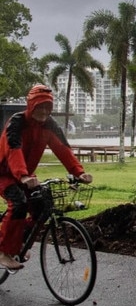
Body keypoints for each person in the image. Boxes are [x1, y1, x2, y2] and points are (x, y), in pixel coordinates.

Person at [0, 84, 93, 270]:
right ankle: (3, 251)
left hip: (25, 174)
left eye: (47, 107)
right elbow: (13, 150)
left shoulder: (49, 125)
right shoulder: (16, 123)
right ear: (31, 106)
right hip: (5, 174)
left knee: (42, 206)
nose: (44, 111)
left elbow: (63, 149)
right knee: (18, 204)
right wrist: (24, 176)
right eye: (39, 106)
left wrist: (79, 172)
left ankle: (18, 243)